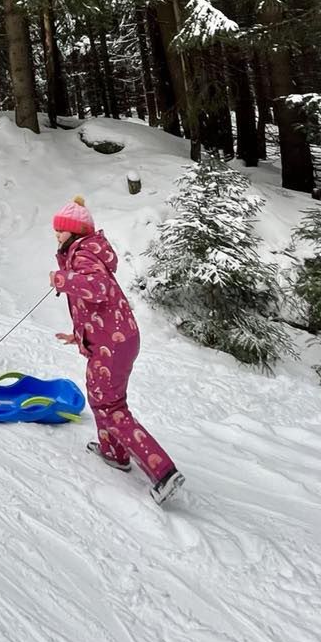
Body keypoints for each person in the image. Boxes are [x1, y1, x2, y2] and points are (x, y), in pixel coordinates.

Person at [51, 195, 184, 507]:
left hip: (113, 344)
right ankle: (114, 453)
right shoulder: (84, 253)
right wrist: (78, 335)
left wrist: (61, 279)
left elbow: (96, 288)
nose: (56, 236)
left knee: (111, 406)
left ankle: (163, 472)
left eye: (61, 230)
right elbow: (96, 306)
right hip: (113, 339)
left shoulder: (83, 256)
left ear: (76, 232)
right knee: (101, 398)